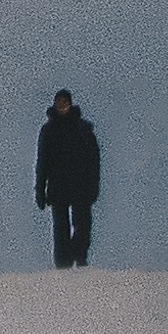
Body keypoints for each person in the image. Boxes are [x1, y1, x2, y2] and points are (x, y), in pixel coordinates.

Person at [34, 89, 101, 267]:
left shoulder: (83, 129)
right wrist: (40, 191)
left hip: (81, 186)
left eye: (65, 103)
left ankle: (78, 257)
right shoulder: (48, 131)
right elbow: (42, 164)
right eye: (59, 103)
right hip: (58, 187)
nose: (62, 106)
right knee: (61, 229)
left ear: (70, 104)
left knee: (83, 226)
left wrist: (94, 187)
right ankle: (63, 263)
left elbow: (93, 161)